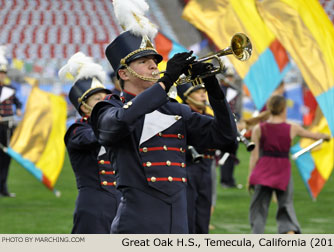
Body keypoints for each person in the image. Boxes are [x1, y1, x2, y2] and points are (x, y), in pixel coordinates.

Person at [90, 14, 237, 233]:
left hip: (178, 224)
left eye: (155, 62)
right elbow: (120, 123)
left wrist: (213, 88)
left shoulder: (175, 110)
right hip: (136, 224)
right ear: (123, 73)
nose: (153, 66)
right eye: (143, 62)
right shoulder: (108, 109)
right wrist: (166, 81)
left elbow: (225, 137)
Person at [248, 95, 330, 234]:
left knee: (258, 208)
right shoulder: (292, 127)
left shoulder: (259, 128)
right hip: (282, 170)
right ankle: (289, 233)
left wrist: (251, 177)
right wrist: (326, 136)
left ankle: (256, 237)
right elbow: (312, 135)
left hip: (263, 170)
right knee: (285, 206)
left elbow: (254, 156)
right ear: (284, 109)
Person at [59, 52, 121, 233]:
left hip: (121, 199)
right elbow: (95, 138)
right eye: (97, 99)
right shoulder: (77, 131)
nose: (105, 103)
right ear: (84, 107)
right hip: (94, 203)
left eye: (106, 98)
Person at [177, 83, 215, 234]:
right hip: (187, 165)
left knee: (204, 208)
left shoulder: (209, 115)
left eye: (203, 92)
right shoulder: (181, 115)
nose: (202, 95)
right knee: (189, 210)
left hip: (206, 165)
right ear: (187, 96)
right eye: (198, 92)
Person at [0, 53, 22, 198]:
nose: (2, 76)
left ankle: (3, 188)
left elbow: (17, 102)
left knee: (5, 158)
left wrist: (19, 108)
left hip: (7, 127)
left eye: (3, 74)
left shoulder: (9, 89)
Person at [218, 68, 242, 188]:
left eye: (231, 77)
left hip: (233, 125)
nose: (230, 79)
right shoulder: (218, 90)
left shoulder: (235, 91)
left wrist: (238, 118)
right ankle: (224, 180)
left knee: (232, 153)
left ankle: (230, 180)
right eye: (228, 76)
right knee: (224, 154)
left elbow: (237, 109)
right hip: (222, 125)